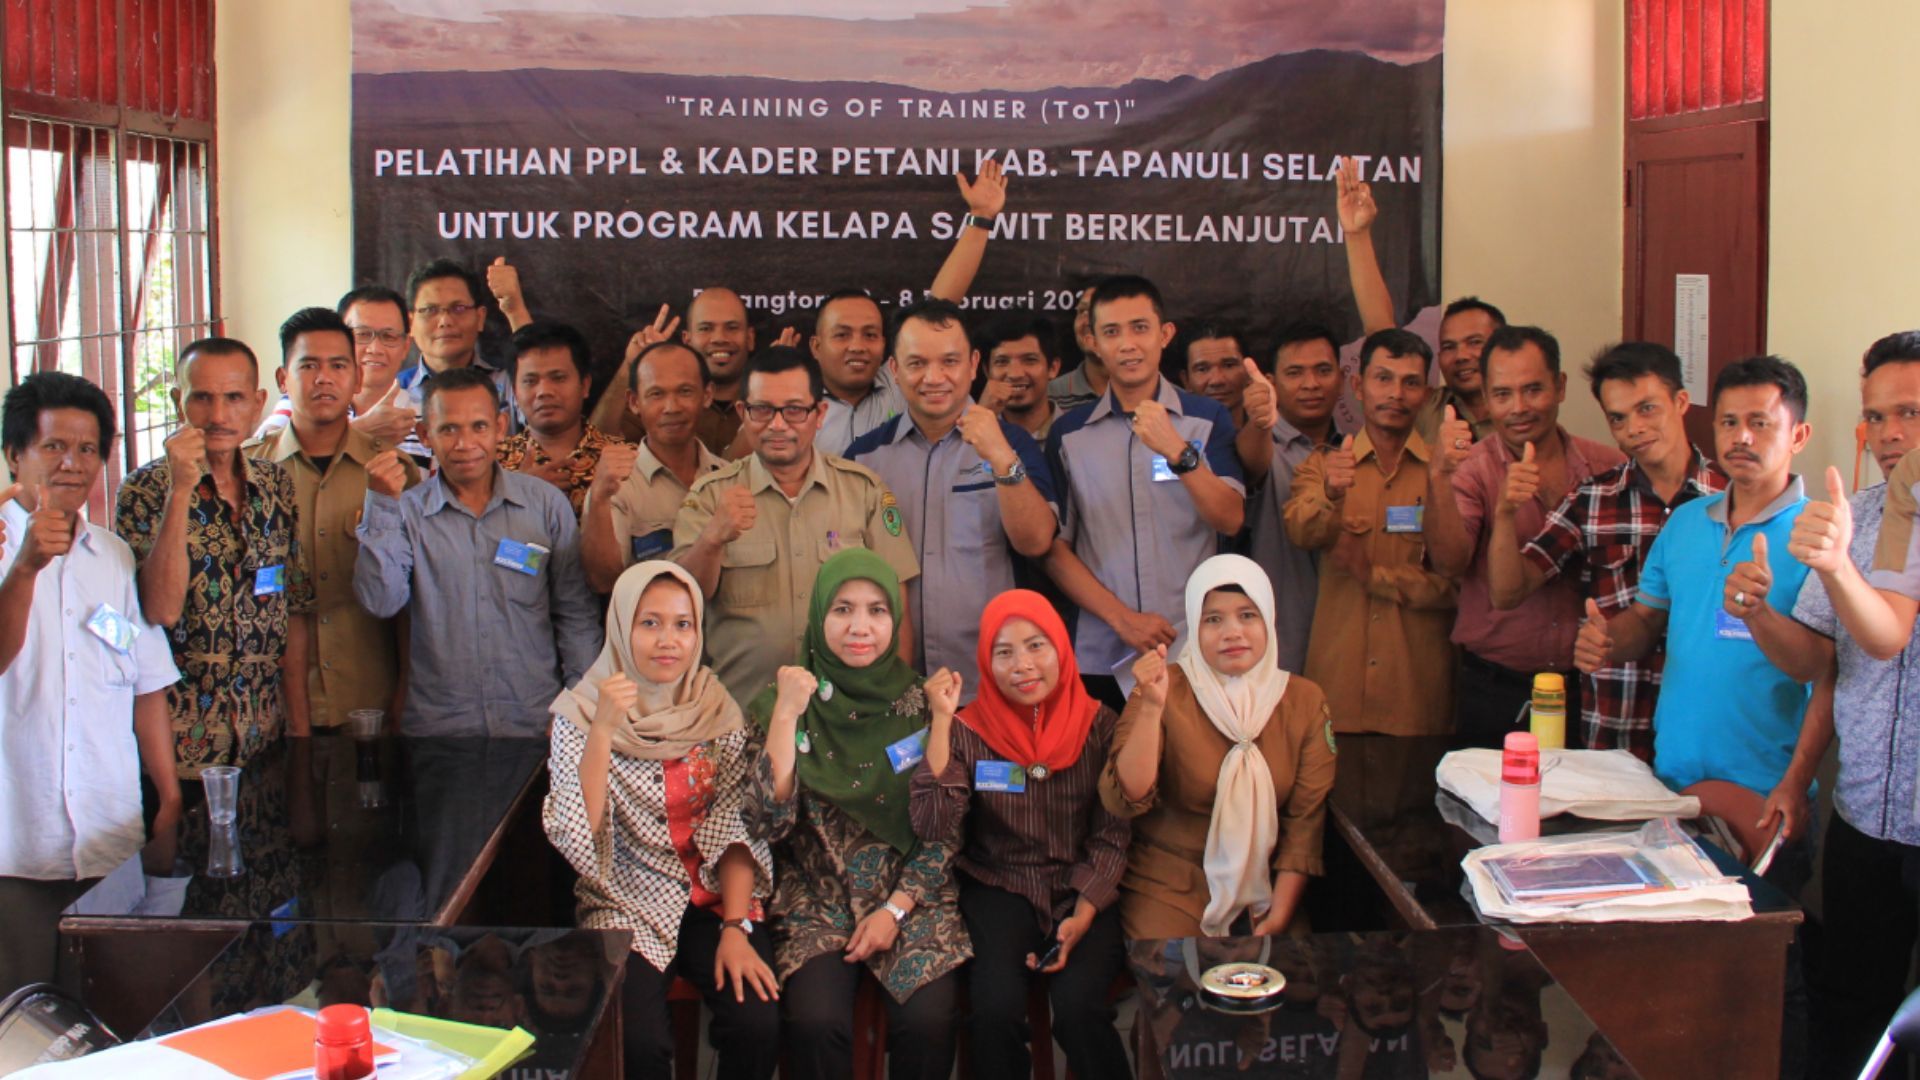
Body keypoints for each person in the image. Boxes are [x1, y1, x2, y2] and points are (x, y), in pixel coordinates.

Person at [543, 561, 779, 1080]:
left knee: (758, 1023)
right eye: (649, 623)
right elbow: (583, 844)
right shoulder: (580, 713)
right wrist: (603, 731)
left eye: (682, 623)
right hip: (625, 900)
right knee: (640, 1043)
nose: (667, 640)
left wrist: (737, 928)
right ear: (621, 627)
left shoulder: (714, 708)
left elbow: (737, 828)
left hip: (713, 899)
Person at [1573, 356, 1818, 849]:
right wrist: (1607, 641)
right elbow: (1646, 619)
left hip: (1766, 792)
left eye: (1760, 423)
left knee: (1762, 924)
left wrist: (1795, 782)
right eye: (1729, 422)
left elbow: (1824, 671)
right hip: (1673, 783)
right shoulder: (1685, 523)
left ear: (1798, 436)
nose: (1741, 437)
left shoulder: (1817, 536)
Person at [744, 549, 968, 1080]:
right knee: (815, 1023)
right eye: (842, 609)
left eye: (877, 610)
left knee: (929, 1021)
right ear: (819, 617)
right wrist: (785, 715)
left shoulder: (920, 702)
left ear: (896, 618)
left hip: (911, 896)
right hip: (815, 899)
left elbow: (945, 830)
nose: (860, 627)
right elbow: (764, 824)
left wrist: (893, 910)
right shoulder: (783, 700)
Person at [0, 372, 181, 994]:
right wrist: (24, 568)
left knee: (112, 1008)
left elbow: (144, 683)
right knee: (22, 1023)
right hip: (19, 842)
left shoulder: (115, 557)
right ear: (14, 456)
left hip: (112, 836)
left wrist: (168, 795)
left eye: (86, 449)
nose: (71, 464)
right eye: (53, 447)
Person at [909, 590, 1131, 1079]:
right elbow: (933, 824)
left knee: (1080, 1011)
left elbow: (1112, 834)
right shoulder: (969, 729)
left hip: (1083, 887)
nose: (1022, 665)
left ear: (1061, 649)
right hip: (999, 886)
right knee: (993, 1012)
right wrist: (941, 722)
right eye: (1003, 652)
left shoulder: (1100, 725)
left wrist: (1086, 907)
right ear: (985, 662)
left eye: (1036, 646)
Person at [1776, 332, 1920, 1077]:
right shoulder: (1855, 513)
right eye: (1877, 417)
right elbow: (1818, 660)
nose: (1890, 434)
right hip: (1864, 811)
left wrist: (1839, 570)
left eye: (1910, 413)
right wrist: (1763, 615)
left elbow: (1889, 634)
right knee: (1850, 1012)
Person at [1485, 343, 1724, 754]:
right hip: (1617, 728)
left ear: (1680, 402)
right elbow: (1508, 592)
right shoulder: (1593, 499)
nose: (1634, 428)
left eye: (1647, 408)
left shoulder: (1730, 499)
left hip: (1707, 726)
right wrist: (1506, 514)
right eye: (1618, 417)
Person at [1100, 554, 1338, 939]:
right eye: (1213, 619)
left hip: (1266, 883)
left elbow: (1304, 823)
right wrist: (1151, 707)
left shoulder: (1304, 701)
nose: (1232, 632)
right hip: (1172, 880)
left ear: (1269, 620)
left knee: (1285, 986)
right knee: (1179, 981)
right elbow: (1124, 798)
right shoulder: (1164, 685)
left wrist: (1278, 916)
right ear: (1194, 625)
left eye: (1248, 615)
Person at [354, 367, 600, 736]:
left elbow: (575, 613)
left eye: (479, 427)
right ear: (425, 435)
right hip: (440, 731)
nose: (464, 443)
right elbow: (381, 601)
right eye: (448, 429)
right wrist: (382, 506)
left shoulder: (545, 505)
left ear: (501, 427)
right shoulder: (406, 512)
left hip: (537, 722)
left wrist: (577, 703)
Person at [672, 346, 919, 706]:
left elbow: (897, 609)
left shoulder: (863, 491)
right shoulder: (711, 496)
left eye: (793, 410)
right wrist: (712, 538)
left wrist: (891, 706)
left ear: (819, 414)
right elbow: (682, 605)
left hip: (844, 717)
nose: (777, 424)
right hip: (740, 716)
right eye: (762, 410)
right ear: (743, 412)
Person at [1043, 275, 1245, 706]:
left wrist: (1177, 449)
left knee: (1192, 774)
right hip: (1103, 652)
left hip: (1194, 647)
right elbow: (1054, 551)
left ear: (1165, 334)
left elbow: (1230, 517)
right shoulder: (1069, 434)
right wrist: (1124, 621)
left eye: (1140, 328)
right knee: (1109, 773)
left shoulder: (1205, 418)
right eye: (1112, 332)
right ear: (1092, 341)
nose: (1128, 344)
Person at [1422, 326, 1624, 745]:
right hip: (1497, 687)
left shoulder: (1608, 466)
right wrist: (1439, 476)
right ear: (1486, 396)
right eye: (1502, 395)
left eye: (1533, 390)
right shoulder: (1472, 468)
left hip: (1592, 686)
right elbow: (1448, 563)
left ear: (1561, 386)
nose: (1519, 408)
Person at [115, 337, 309, 774]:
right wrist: (181, 489)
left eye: (234, 398)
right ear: (178, 401)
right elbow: (160, 610)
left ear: (258, 402)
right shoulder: (143, 491)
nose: (218, 416)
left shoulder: (276, 487)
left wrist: (300, 733)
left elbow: (292, 609)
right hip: (180, 753)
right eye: (202, 398)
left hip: (265, 741)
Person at [847, 299, 1057, 697]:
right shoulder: (863, 457)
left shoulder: (1013, 444)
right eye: (916, 363)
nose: (934, 377)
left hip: (992, 682)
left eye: (949, 361)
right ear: (894, 369)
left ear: (974, 364)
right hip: (892, 684)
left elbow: (1036, 542)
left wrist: (1000, 458)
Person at [244, 307, 421, 731]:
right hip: (272, 709)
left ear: (357, 379)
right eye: (308, 365)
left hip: (368, 702)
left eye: (338, 366)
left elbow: (411, 597)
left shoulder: (394, 471)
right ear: (283, 380)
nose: (323, 378)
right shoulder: (248, 471)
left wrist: (404, 693)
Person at [1285, 329, 1455, 735]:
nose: (1396, 393)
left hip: (1417, 696)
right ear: (1359, 386)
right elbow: (1300, 531)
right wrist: (1330, 492)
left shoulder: (1445, 474)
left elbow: (1459, 586)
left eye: (1410, 382)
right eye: (1384, 378)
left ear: (1427, 394)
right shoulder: (1323, 465)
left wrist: (1375, 576)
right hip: (1337, 693)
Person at [1335, 158, 1501, 444]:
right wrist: (1357, 235)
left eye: (1475, 342)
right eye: (1449, 346)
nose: (1461, 356)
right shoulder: (1425, 406)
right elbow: (1381, 334)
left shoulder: (1522, 411)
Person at [1239, 321, 1345, 673]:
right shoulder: (1263, 447)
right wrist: (1259, 422)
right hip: (1275, 650)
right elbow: (1250, 467)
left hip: (1346, 646)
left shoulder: (1357, 453)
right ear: (1271, 382)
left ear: (1343, 379)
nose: (1311, 384)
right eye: (1295, 372)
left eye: (1323, 371)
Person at [580, 342, 728, 593]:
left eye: (685, 391)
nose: (671, 407)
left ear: (707, 395)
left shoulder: (729, 477)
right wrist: (599, 499)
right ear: (634, 402)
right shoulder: (617, 484)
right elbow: (602, 582)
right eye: (656, 394)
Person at [250, 285, 420, 450]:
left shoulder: (427, 416)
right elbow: (261, 460)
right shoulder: (300, 402)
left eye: (389, 336)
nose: (375, 349)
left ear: (405, 346)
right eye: (362, 334)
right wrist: (361, 432)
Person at [495, 321, 626, 517]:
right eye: (530, 381)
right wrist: (518, 492)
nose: (544, 392)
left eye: (558, 378)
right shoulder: (491, 464)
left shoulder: (625, 458)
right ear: (514, 392)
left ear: (584, 385)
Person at [391, 258, 519, 433]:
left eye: (458, 308)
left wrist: (516, 309)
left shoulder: (508, 385)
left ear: (480, 318)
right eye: (430, 310)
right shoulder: (393, 392)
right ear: (410, 323)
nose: (445, 321)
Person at [976, 310, 1063, 442]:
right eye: (1002, 361)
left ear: (1053, 368)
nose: (1015, 374)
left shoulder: (1078, 433)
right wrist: (980, 423)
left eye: (1029, 360)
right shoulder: (966, 438)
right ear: (987, 370)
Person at [1174, 323, 1253, 429]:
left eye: (1229, 365)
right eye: (1202, 369)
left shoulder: (1270, 431)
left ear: (1248, 372)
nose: (1217, 380)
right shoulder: (1171, 433)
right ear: (1186, 380)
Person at [1048, 286, 1106, 412]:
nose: (1087, 322)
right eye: (1082, 311)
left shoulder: (1151, 395)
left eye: (1097, 311)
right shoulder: (1050, 396)